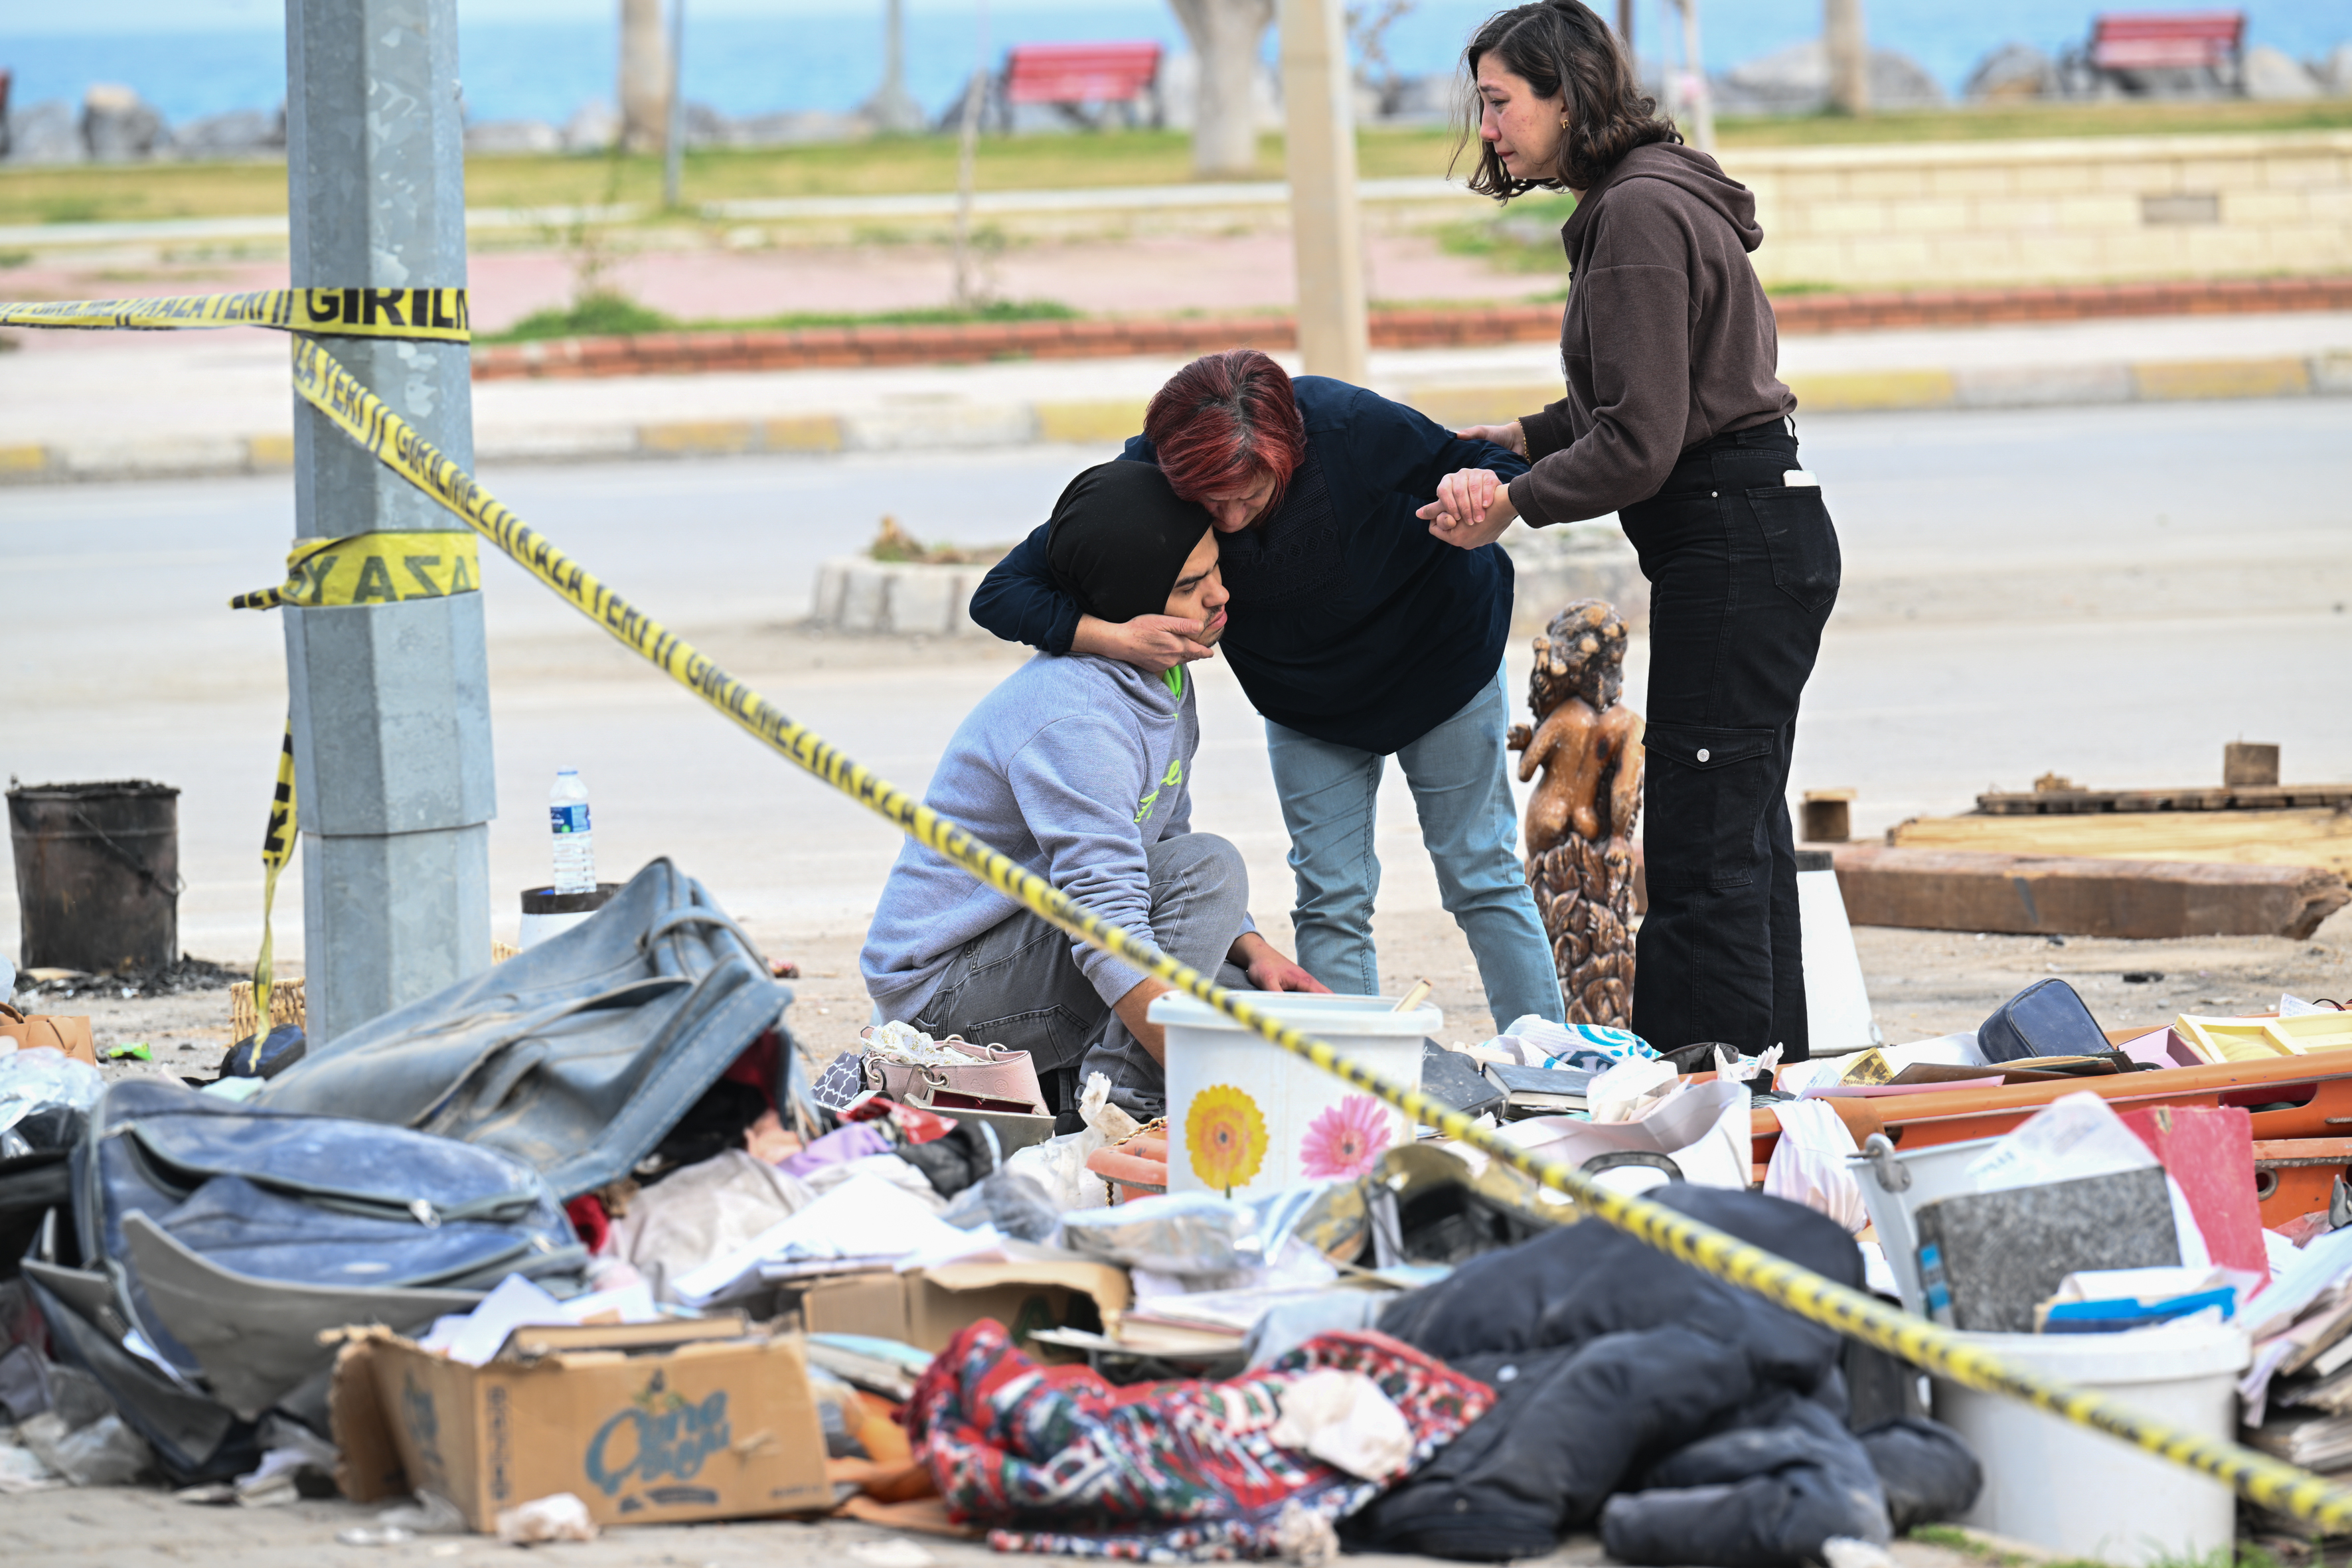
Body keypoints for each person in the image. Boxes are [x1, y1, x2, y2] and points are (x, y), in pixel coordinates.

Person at [1417, 0, 1841, 1059]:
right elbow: (1658, 396)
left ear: (1566, 95)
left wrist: (1507, 503)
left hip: (1732, 538)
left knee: (1700, 852)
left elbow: (1642, 442)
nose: (1490, 128)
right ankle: (1761, 1093)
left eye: (1501, 101)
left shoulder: (1636, 218)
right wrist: (1521, 435)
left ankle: (1699, 1102)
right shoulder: (1650, 194)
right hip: (1750, 529)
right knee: (1736, 835)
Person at [970, 350, 1565, 1032]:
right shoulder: (1155, 469)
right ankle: (1347, 1092)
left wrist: (1474, 490)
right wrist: (1121, 637)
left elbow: (1502, 470)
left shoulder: (1345, 425)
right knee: (1331, 896)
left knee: (1480, 872)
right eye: (1207, 501)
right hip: (1307, 701)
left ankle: (1552, 1075)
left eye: (1247, 496)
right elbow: (1003, 592)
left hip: (1443, 662)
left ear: (1286, 455)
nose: (1225, 517)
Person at [861, 460, 1326, 1122]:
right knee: (1211, 877)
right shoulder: (1078, 717)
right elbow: (1106, 921)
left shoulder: (1160, 678)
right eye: (1191, 586)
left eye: (1215, 569)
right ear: (1125, 604)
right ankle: (1116, 1114)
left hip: (1030, 945)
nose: (1220, 596)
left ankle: (1088, 1082)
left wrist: (1253, 950)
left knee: (1242, 1001)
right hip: (944, 994)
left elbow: (1161, 839)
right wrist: (1190, 1069)